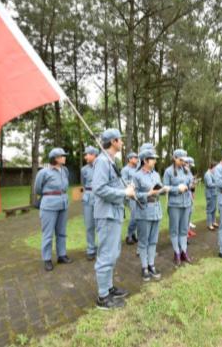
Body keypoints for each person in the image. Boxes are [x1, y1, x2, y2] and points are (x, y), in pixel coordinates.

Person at [92, 129, 136, 310]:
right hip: (106, 214)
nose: (122, 142)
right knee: (106, 255)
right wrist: (123, 192)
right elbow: (99, 188)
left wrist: (128, 193)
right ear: (113, 141)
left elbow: (113, 187)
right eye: (120, 140)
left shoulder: (112, 161)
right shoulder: (102, 161)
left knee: (113, 253)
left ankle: (108, 288)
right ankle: (103, 297)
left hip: (115, 213)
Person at [132, 149, 170, 282]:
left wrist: (162, 190)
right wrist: (148, 193)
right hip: (144, 210)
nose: (155, 160)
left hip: (156, 210)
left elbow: (158, 191)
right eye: (152, 158)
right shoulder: (137, 176)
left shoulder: (156, 174)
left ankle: (151, 265)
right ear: (145, 160)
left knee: (153, 240)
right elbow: (133, 195)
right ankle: (144, 267)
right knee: (143, 241)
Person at [34, 148, 72, 272]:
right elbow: (38, 189)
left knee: (61, 232)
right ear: (55, 158)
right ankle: (47, 259)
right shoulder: (44, 172)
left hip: (63, 203)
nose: (65, 157)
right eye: (62, 156)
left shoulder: (64, 170)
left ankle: (61, 255)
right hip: (49, 205)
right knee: (48, 233)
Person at [163, 149, 193, 266]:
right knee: (174, 230)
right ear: (174, 158)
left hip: (186, 204)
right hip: (174, 204)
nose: (183, 162)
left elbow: (190, 182)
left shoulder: (186, 170)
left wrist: (190, 185)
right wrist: (177, 189)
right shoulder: (168, 172)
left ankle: (184, 251)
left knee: (184, 230)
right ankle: (176, 252)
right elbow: (165, 188)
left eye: (184, 160)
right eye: (181, 160)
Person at [81, 146, 99, 261]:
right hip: (88, 197)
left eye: (87, 154)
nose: (85, 157)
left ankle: (102, 249)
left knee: (101, 225)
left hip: (99, 198)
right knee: (89, 225)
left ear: (93, 155)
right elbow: (83, 183)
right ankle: (91, 249)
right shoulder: (84, 169)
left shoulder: (102, 167)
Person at [122, 152, 140, 245]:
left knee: (138, 216)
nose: (137, 159)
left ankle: (133, 234)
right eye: (135, 157)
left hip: (138, 194)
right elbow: (123, 182)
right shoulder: (125, 170)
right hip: (130, 196)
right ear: (129, 159)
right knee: (134, 215)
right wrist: (132, 184)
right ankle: (128, 235)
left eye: (137, 157)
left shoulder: (137, 169)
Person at [204, 162, 218, 231]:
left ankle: (213, 222)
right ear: (212, 167)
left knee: (214, 209)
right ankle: (209, 224)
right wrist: (218, 183)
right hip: (210, 194)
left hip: (214, 193)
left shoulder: (213, 173)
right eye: (216, 168)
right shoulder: (207, 174)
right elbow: (209, 184)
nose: (216, 169)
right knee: (210, 209)